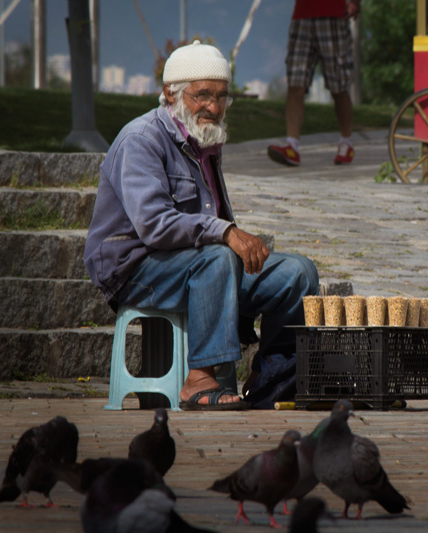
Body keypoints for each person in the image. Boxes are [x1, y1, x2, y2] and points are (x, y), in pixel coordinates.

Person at [84, 41, 319, 410]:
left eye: (221, 96)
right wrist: (226, 233)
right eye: (203, 95)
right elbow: (154, 226)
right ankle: (199, 380)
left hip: (198, 264)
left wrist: (227, 237)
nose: (213, 106)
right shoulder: (141, 139)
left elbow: (210, 225)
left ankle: (271, 379)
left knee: (297, 272)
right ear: (170, 94)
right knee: (217, 258)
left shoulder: (205, 140)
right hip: (136, 267)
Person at [267, 0, 361, 167]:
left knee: (338, 86)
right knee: (295, 82)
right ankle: (292, 146)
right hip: (302, 15)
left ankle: (346, 143)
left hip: (333, 13)